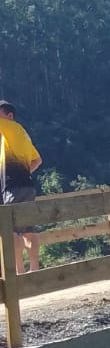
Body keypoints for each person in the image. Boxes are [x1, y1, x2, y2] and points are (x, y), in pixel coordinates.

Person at [0, 100, 42, 273]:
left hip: (13, 187)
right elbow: (38, 160)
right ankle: (35, 270)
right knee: (28, 229)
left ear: (9, 116)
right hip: (27, 186)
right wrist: (24, 172)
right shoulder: (22, 134)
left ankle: (19, 273)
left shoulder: (11, 128)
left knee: (12, 230)